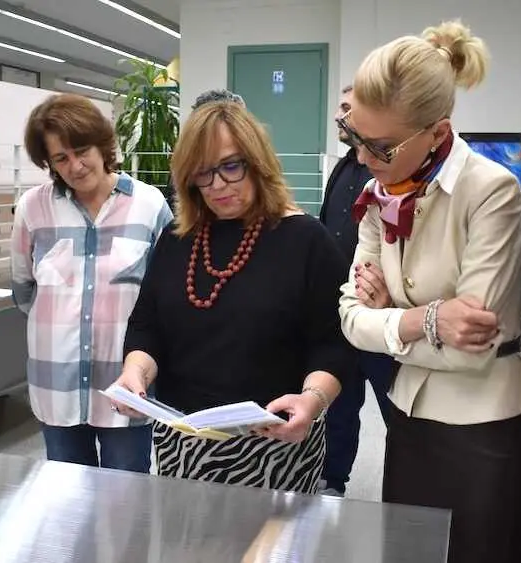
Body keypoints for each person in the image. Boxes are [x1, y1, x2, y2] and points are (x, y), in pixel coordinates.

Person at [337, 21, 521, 563]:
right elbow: (350, 319)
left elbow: (472, 351)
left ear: (437, 133)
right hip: (408, 417)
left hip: (485, 427)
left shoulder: (490, 191)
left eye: (381, 147)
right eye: (353, 136)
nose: (362, 159)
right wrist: (426, 319)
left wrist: (390, 314)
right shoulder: (378, 191)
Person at [113, 100, 354, 493]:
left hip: (276, 448)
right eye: (202, 173)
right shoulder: (177, 239)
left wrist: (312, 400)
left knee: (272, 535)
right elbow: (147, 325)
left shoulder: (307, 241)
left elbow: (334, 345)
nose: (217, 185)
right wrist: (135, 373)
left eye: (230, 166)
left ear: (257, 162)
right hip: (184, 445)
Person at [11, 93, 172, 472]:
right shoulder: (32, 208)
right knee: (68, 495)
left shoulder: (149, 204)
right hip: (56, 385)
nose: (75, 166)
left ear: (102, 145)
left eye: (82, 151)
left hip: (126, 387)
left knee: (125, 494)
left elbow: (165, 295)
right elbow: (24, 288)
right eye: (60, 158)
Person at [317, 84, 396, 497]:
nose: (339, 116)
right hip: (339, 312)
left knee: (397, 409)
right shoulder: (343, 167)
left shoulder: (389, 170)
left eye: (347, 108)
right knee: (340, 407)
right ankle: (333, 481)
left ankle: (408, 487)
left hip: (379, 313)